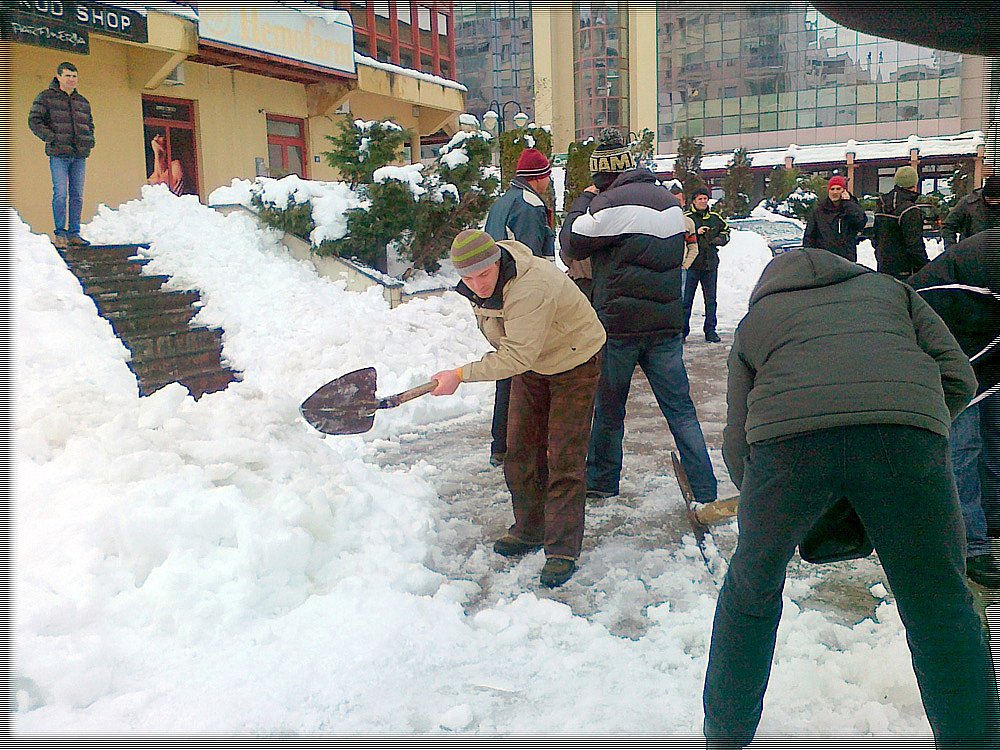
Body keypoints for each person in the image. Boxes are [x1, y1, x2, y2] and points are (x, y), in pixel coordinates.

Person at [705, 247, 996, 749]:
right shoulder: (893, 292)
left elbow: (739, 436)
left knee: (749, 593)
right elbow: (959, 375)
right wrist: (921, 433)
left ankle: (723, 738)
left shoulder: (760, 319)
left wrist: (763, 508)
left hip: (787, 444)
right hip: (906, 434)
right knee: (941, 604)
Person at [431, 229, 606, 588]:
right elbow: (513, 345)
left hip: (575, 359)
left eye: (483, 274)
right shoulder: (481, 286)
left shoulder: (530, 287)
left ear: (497, 262)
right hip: (533, 362)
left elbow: (516, 354)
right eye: (467, 277)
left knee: (563, 454)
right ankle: (530, 528)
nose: (477, 284)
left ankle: (562, 548)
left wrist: (461, 375)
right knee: (520, 450)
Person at [560, 128, 718, 505]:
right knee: (680, 410)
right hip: (664, 326)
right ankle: (705, 485)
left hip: (618, 327)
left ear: (603, 176)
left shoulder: (610, 204)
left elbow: (571, 241)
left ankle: (601, 480)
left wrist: (585, 199)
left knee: (609, 409)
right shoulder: (669, 203)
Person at [909, 228, 1000, 587]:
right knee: (962, 445)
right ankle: (968, 544)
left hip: (982, 338)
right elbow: (928, 313)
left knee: (994, 431)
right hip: (941, 343)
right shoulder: (988, 263)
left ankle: (992, 515)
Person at [483, 147, 556, 468]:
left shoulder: (502, 203)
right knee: (525, 372)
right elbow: (531, 262)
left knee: (508, 367)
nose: (549, 180)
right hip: (520, 298)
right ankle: (517, 446)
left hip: (498, 295)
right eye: (547, 174)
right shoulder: (529, 206)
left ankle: (501, 444)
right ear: (537, 178)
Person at [28, 61, 95, 249]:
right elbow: (34, 120)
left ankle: (74, 233)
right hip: (59, 154)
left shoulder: (82, 101)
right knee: (60, 194)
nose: (71, 79)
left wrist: (90, 139)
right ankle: (60, 234)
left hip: (79, 154)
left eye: (74, 76)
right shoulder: (46, 97)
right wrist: (51, 137)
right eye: (67, 76)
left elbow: (89, 123)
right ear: (58, 77)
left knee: (77, 195)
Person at [683, 187, 730, 343]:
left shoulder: (715, 217)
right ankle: (682, 332)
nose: (703, 202)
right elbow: (681, 236)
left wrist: (719, 239)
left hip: (710, 264)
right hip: (691, 264)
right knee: (686, 300)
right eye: (700, 199)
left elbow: (726, 231)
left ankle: (710, 330)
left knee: (711, 300)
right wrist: (697, 232)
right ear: (694, 201)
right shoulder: (686, 218)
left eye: (705, 199)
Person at [872, 165, 927, 280]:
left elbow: (875, 237)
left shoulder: (882, 204)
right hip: (906, 270)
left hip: (884, 266)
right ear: (915, 184)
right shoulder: (910, 210)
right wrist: (925, 266)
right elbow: (914, 245)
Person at [802, 175, 867, 262]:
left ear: (844, 191)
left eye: (838, 189)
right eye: (832, 189)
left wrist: (847, 203)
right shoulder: (819, 211)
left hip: (846, 261)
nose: (835, 192)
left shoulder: (851, 208)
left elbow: (860, 222)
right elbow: (809, 237)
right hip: (824, 261)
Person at [941, 175, 1000, 249]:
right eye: (990, 199)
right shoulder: (968, 203)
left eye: (996, 200)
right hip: (971, 252)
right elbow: (948, 226)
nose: (993, 203)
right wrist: (952, 249)